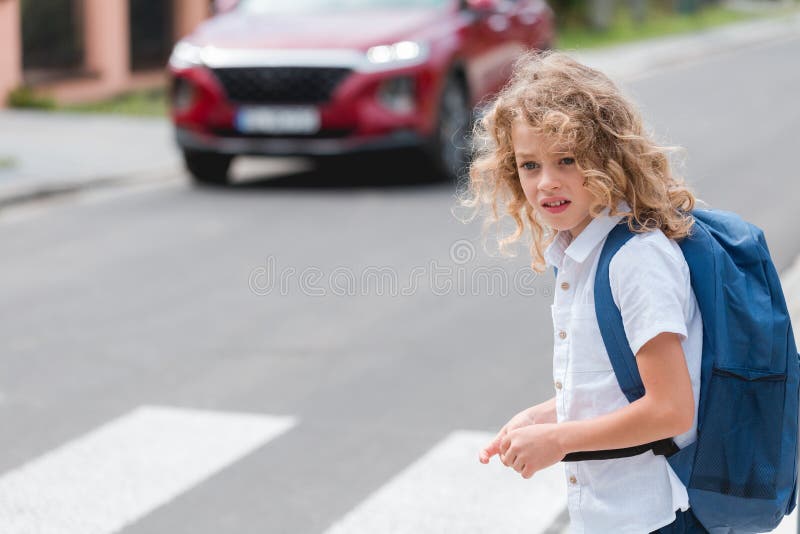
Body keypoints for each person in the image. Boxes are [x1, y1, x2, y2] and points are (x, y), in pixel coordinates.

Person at [462, 51, 706, 533]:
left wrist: (560, 441)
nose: (546, 182)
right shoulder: (580, 251)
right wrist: (543, 418)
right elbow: (619, 388)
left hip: (656, 514)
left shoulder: (637, 260)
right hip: (612, 514)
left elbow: (671, 409)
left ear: (608, 159)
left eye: (567, 160)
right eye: (529, 165)